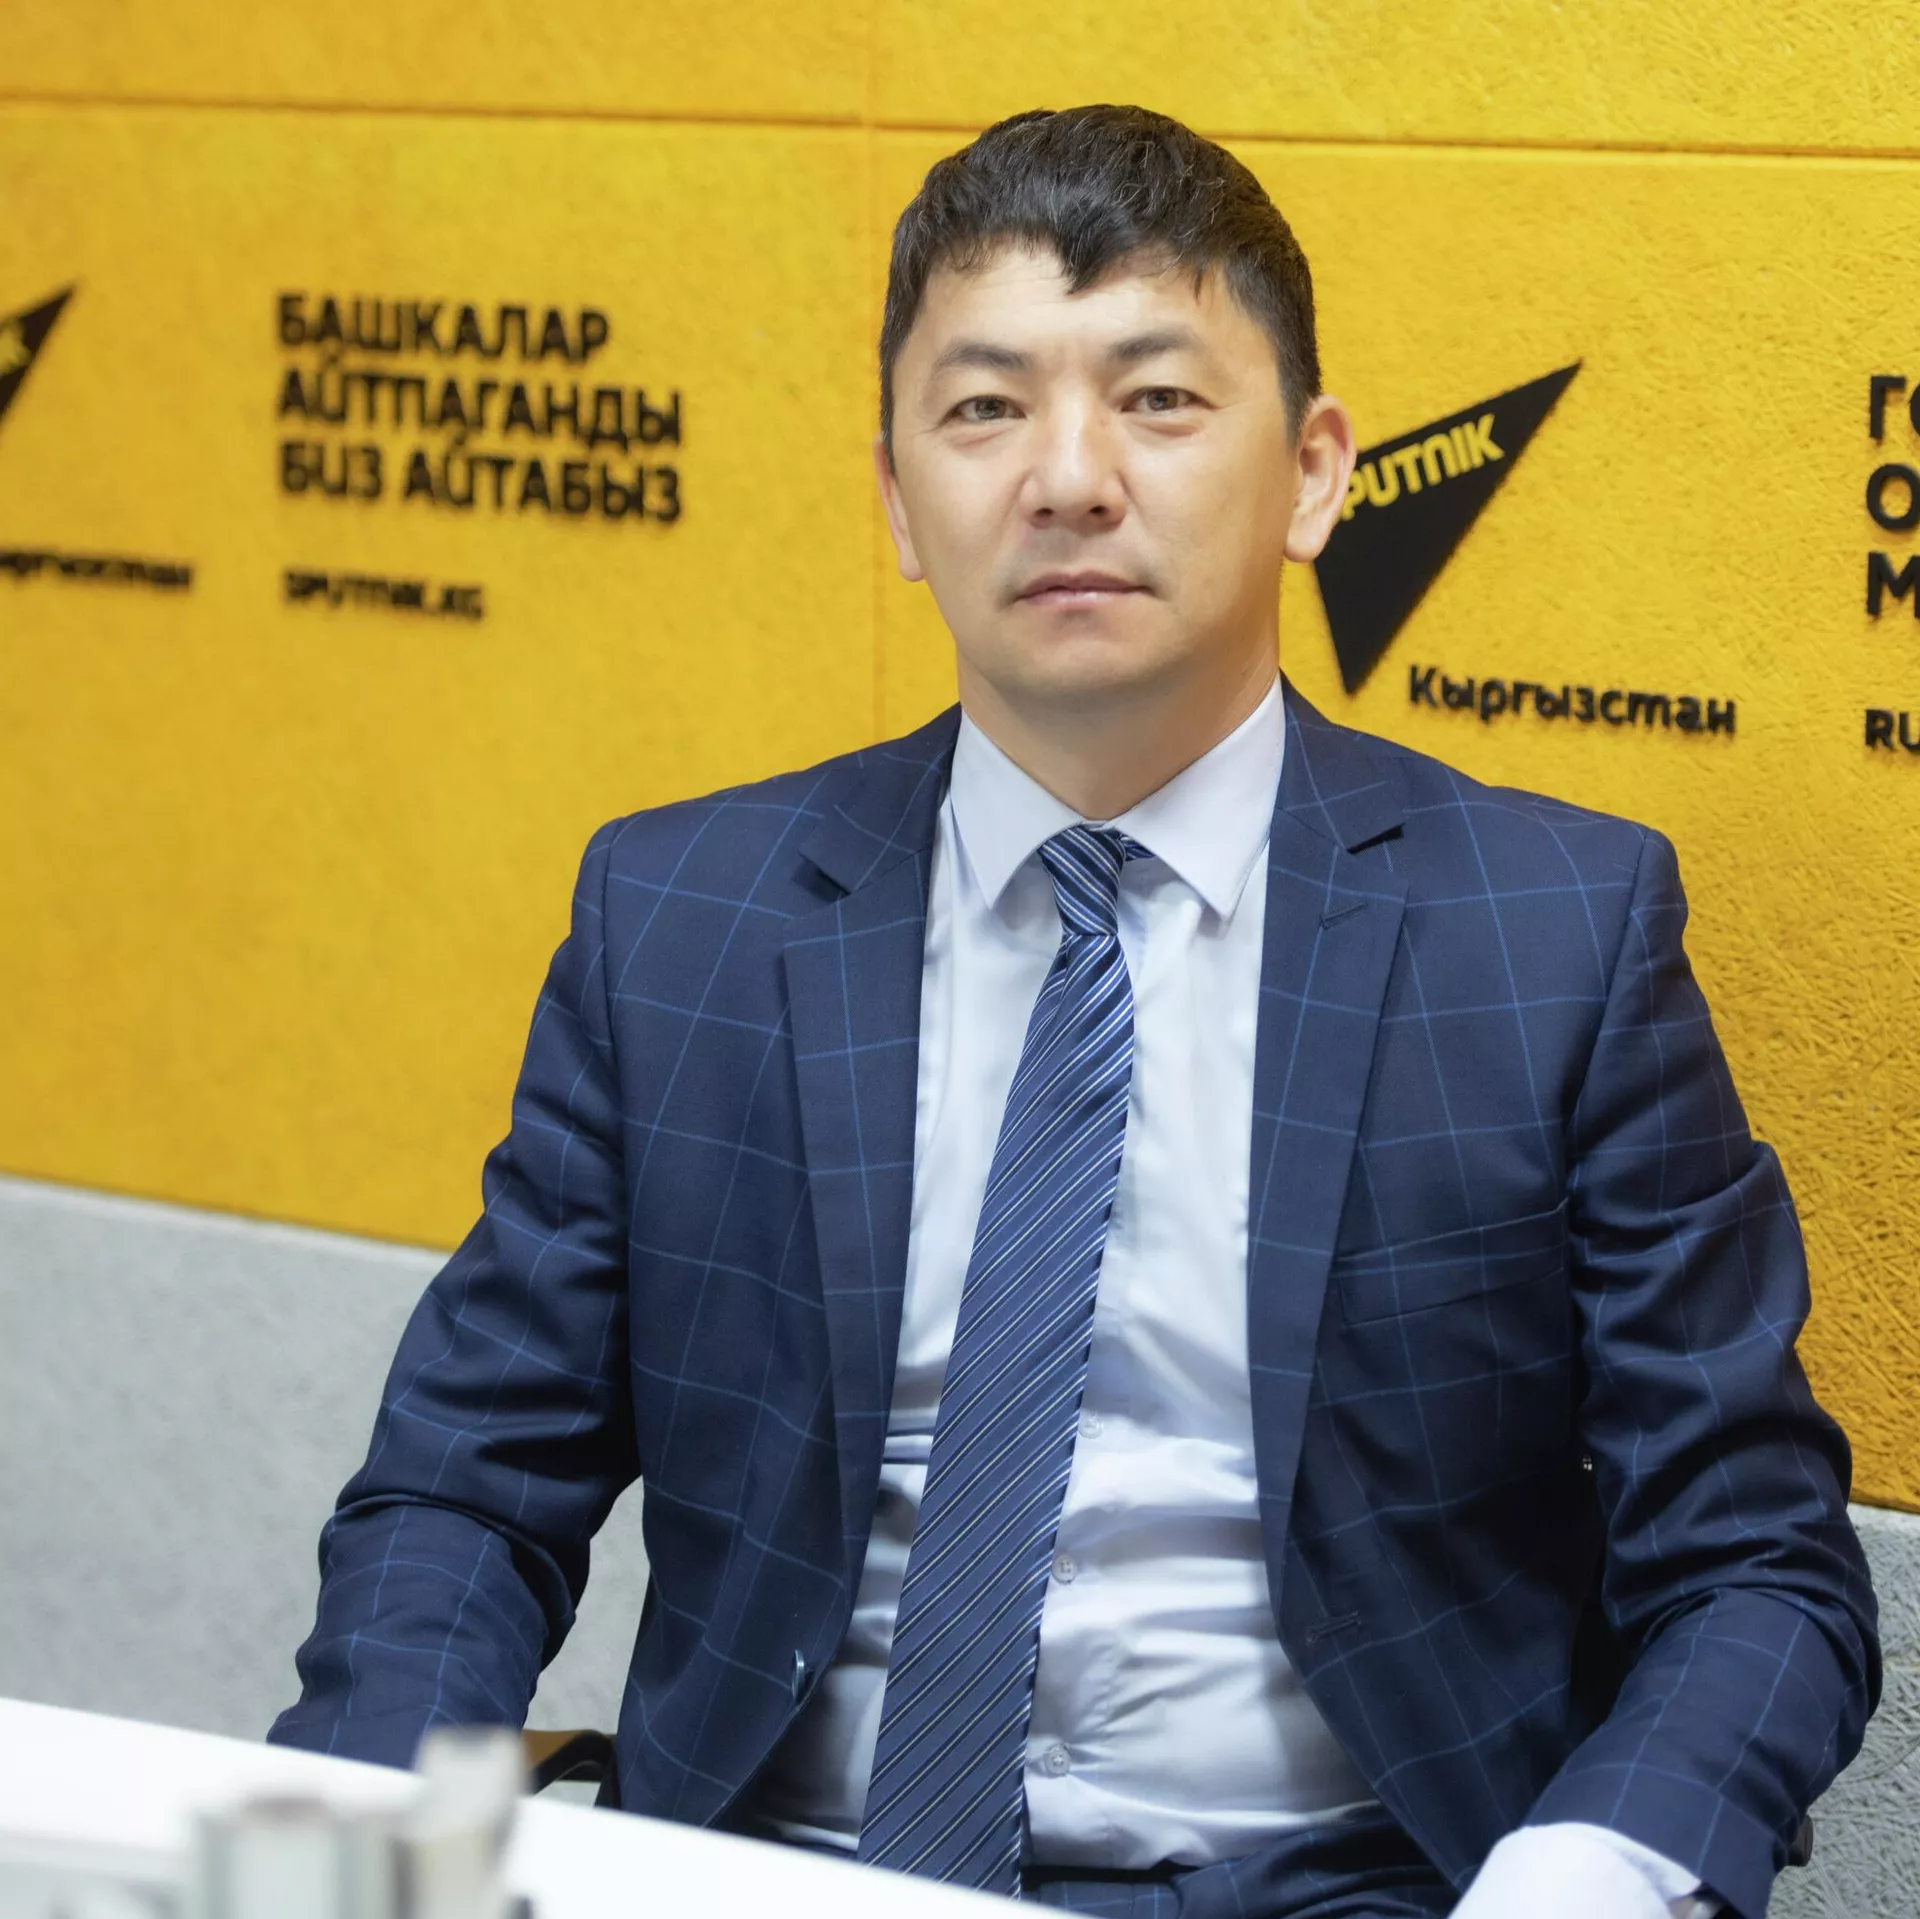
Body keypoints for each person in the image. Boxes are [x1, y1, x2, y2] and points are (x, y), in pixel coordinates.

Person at [270, 106, 1878, 1919]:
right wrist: (372, 1855)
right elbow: (465, 1492)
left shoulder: (1549, 934)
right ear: (899, 499)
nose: (1067, 477)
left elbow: (1756, 1567)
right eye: (983, 408)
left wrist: (1577, 1882)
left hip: (1346, 1885)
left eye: (1158, 398)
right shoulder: (683, 920)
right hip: (774, 1872)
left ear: (1317, 473)